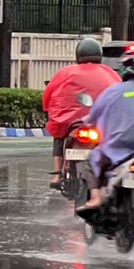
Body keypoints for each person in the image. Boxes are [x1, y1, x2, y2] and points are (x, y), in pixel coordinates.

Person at [43, 37, 118, 191]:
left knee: (59, 136)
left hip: (71, 124)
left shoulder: (66, 72)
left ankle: (58, 174)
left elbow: (48, 96)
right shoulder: (110, 73)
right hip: (100, 123)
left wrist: (47, 109)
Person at [82, 47, 134, 211]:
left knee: (89, 163)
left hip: (116, 150)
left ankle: (96, 198)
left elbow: (90, 119)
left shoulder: (111, 92)